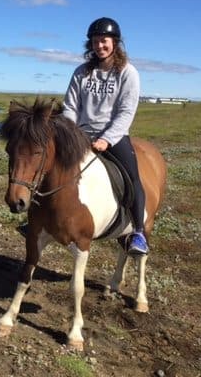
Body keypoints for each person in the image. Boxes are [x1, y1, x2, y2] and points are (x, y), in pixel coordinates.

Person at [62, 17, 149, 255]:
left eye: (104, 41)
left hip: (113, 136)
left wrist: (107, 139)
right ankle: (41, 220)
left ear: (115, 43)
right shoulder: (81, 72)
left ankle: (138, 232)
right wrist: (70, 132)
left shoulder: (128, 73)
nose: (99, 46)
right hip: (81, 134)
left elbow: (126, 111)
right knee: (51, 167)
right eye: (95, 41)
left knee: (132, 178)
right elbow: (70, 105)